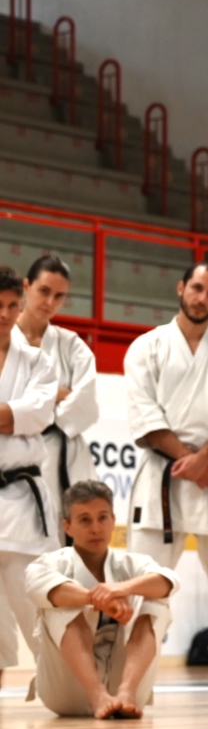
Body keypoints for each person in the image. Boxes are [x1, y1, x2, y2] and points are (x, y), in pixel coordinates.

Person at [125, 264, 208, 651]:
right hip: (163, 475)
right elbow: (144, 412)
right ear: (181, 288)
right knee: (142, 580)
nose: (202, 298)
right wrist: (191, 459)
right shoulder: (147, 347)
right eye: (197, 288)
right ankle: (131, 674)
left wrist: (203, 459)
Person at [24, 480, 178, 718]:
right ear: (67, 526)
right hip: (66, 693)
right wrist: (97, 599)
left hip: (125, 688)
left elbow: (168, 582)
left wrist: (119, 589)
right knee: (60, 603)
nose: (95, 528)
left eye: (102, 518)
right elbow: (35, 585)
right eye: (85, 520)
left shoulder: (130, 564)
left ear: (113, 520)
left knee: (155, 599)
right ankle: (97, 695)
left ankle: (126, 691)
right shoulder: (51, 564)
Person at [0, 265, 58, 688]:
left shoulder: (38, 362)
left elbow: (38, 415)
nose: (4, 314)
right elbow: (18, 417)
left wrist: (15, 416)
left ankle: (65, 682)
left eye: (11, 306)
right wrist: (11, 417)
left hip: (22, 498)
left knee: (38, 600)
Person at [14, 255, 100, 535]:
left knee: (66, 541)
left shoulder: (71, 345)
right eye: (44, 291)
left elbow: (85, 404)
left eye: (59, 296)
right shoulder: (4, 339)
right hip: (13, 453)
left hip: (65, 454)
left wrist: (30, 406)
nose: (50, 302)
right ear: (26, 286)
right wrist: (56, 394)